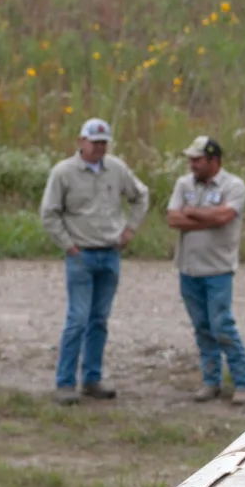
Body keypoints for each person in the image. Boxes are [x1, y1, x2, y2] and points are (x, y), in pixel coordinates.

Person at [38, 118, 150, 404]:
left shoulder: (116, 168)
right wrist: (69, 246)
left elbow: (141, 195)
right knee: (77, 319)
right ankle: (65, 383)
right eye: (94, 142)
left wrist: (130, 229)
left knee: (99, 320)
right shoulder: (63, 172)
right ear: (81, 141)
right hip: (81, 254)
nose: (99, 147)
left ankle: (92, 379)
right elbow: (49, 213)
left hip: (110, 253)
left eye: (103, 142)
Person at [166, 135, 245, 405]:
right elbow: (173, 218)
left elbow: (225, 217)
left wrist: (192, 213)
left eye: (197, 159)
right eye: (191, 159)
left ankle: (243, 383)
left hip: (218, 269)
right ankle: (210, 381)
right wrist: (207, 216)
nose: (192, 164)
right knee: (202, 328)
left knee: (222, 325)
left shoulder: (234, 185)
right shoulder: (184, 184)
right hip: (189, 268)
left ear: (213, 160)